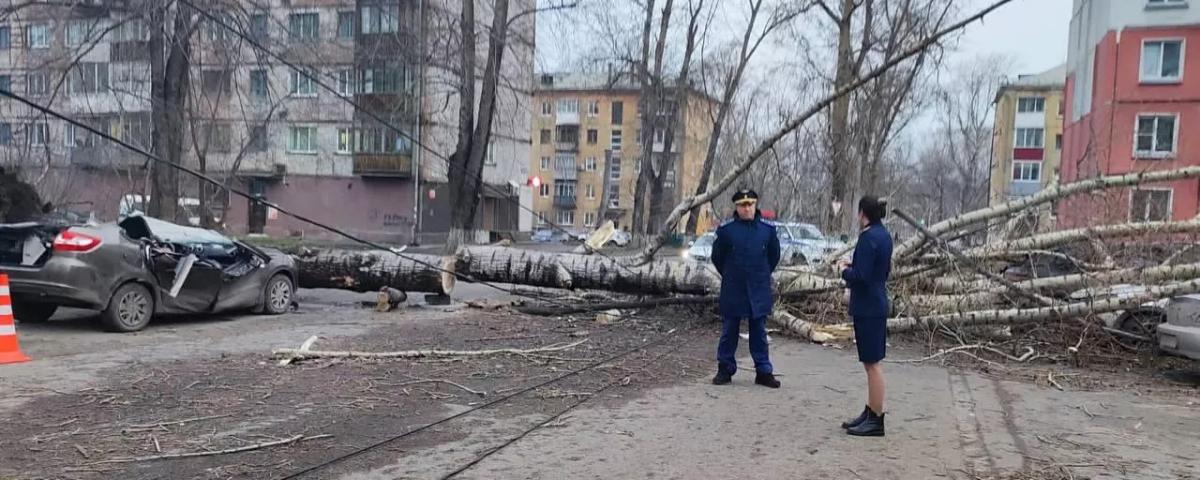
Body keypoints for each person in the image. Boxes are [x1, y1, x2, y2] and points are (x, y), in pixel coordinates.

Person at [710, 189, 781, 388]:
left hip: (758, 288)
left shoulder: (767, 231)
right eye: (743, 205)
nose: (747, 208)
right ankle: (725, 369)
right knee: (729, 331)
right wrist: (731, 274)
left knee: (758, 332)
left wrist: (761, 273)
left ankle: (763, 371)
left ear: (755, 205)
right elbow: (717, 258)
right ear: (737, 207)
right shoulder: (726, 232)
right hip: (734, 288)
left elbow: (774, 257)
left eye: (750, 204)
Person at [839, 196, 893, 436]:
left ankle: (877, 418)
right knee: (870, 362)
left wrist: (844, 270)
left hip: (868, 306)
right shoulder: (884, 235)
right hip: (877, 301)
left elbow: (861, 275)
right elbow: (880, 268)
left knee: (872, 364)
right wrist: (856, 265)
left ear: (862, 214)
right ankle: (870, 410)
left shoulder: (867, 238)